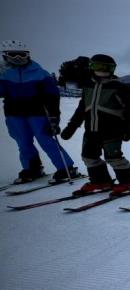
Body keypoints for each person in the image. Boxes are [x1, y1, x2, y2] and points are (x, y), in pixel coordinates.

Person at [0, 40, 79, 183]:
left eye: (22, 55)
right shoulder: (4, 73)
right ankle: (32, 168)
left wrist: (54, 117)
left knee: (45, 139)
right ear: (5, 55)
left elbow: (53, 97)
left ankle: (66, 168)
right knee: (23, 142)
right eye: (13, 55)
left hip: (37, 113)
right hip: (14, 114)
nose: (18, 58)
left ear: (28, 55)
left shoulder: (40, 73)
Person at [60, 54, 130, 195]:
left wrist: (127, 129)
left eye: (107, 67)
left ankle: (127, 181)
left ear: (112, 69)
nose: (102, 70)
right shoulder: (88, 85)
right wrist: (72, 126)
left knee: (114, 157)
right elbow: (82, 108)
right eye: (98, 66)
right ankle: (100, 181)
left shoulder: (118, 87)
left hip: (112, 130)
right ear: (92, 67)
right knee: (89, 156)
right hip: (91, 129)